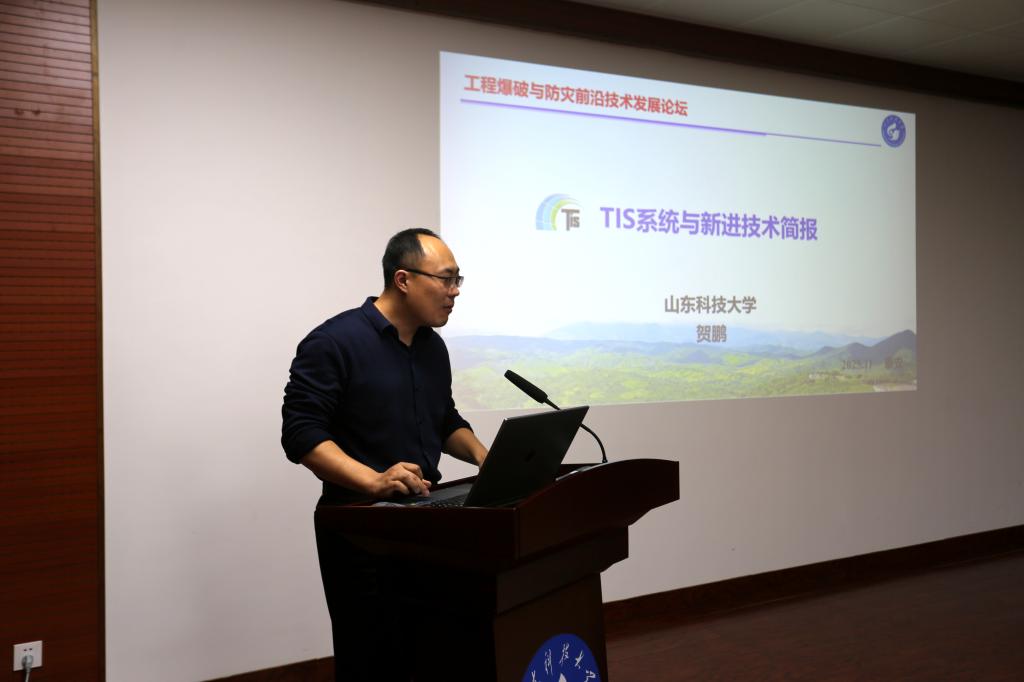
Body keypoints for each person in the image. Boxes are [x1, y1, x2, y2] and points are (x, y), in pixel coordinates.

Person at [281, 228, 487, 681]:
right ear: (403, 280)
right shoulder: (334, 342)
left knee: (430, 653)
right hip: (359, 526)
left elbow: (443, 419)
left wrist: (482, 455)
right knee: (373, 659)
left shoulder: (432, 346)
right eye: (445, 279)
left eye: (458, 280)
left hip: (426, 519)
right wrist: (374, 481)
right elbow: (301, 434)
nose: (454, 292)